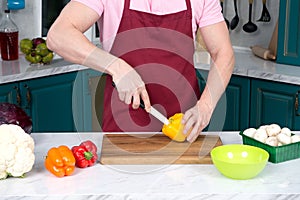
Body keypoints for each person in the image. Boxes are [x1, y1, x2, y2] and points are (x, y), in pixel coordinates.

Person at [47, 0, 234, 143]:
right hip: (123, 125)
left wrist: (205, 107)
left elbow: (223, 52)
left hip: (185, 126)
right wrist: (117, 67)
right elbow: (58, 35)